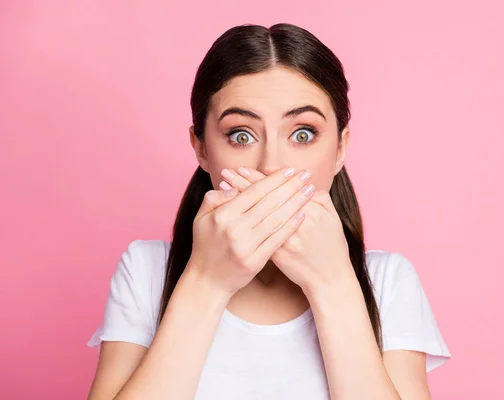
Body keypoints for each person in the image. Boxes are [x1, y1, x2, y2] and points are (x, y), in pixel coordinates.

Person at [86, 23, 451, 400]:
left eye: (303, 134)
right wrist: (206, 282)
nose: (271, 166)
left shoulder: (388, 282)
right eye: (241, 135)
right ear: (201, 148)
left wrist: (333, 284)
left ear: (340, 148)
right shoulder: (146, 272)